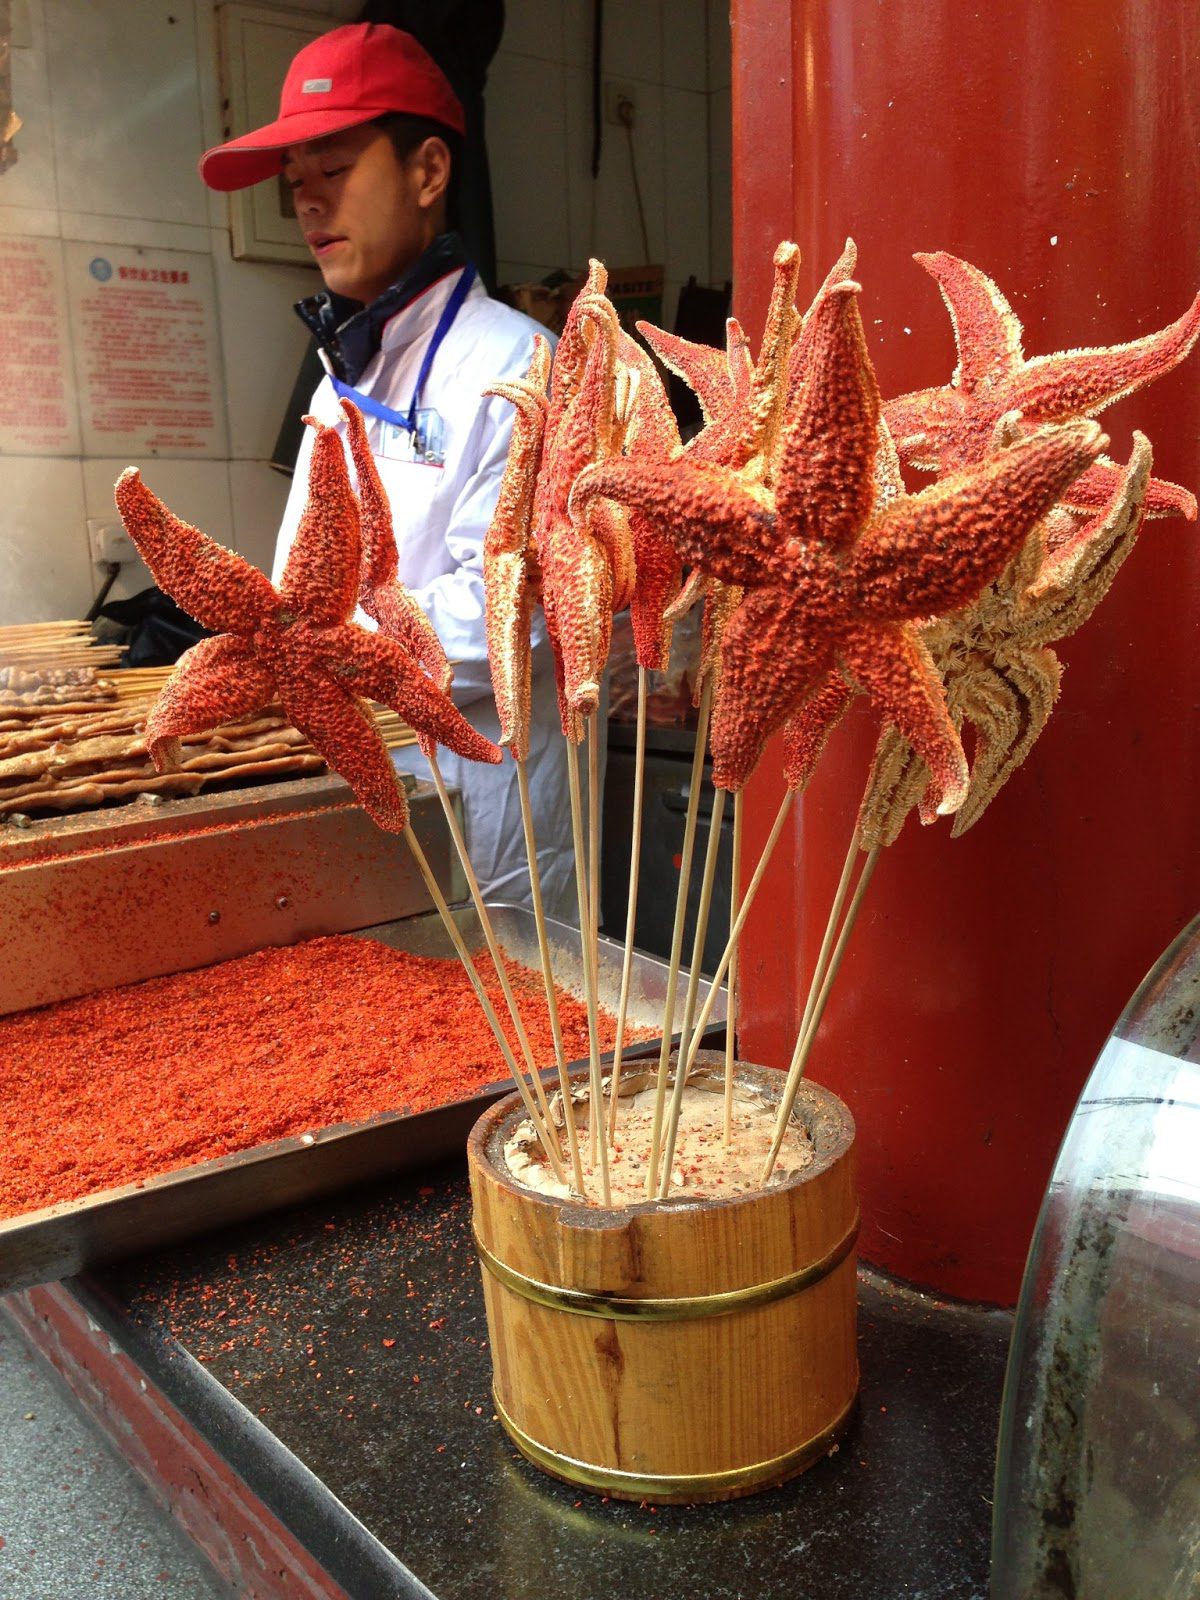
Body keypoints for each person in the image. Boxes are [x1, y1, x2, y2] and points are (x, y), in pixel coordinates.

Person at [198, 22, 582, 920]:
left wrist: (313, 655)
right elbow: (307, 587)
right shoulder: (342, 379)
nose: (308, 203)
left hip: (485, 809)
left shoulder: (520, 364)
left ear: (429, 173)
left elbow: (508, 608)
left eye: (333, 171)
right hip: (357, 795)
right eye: (296, 184)